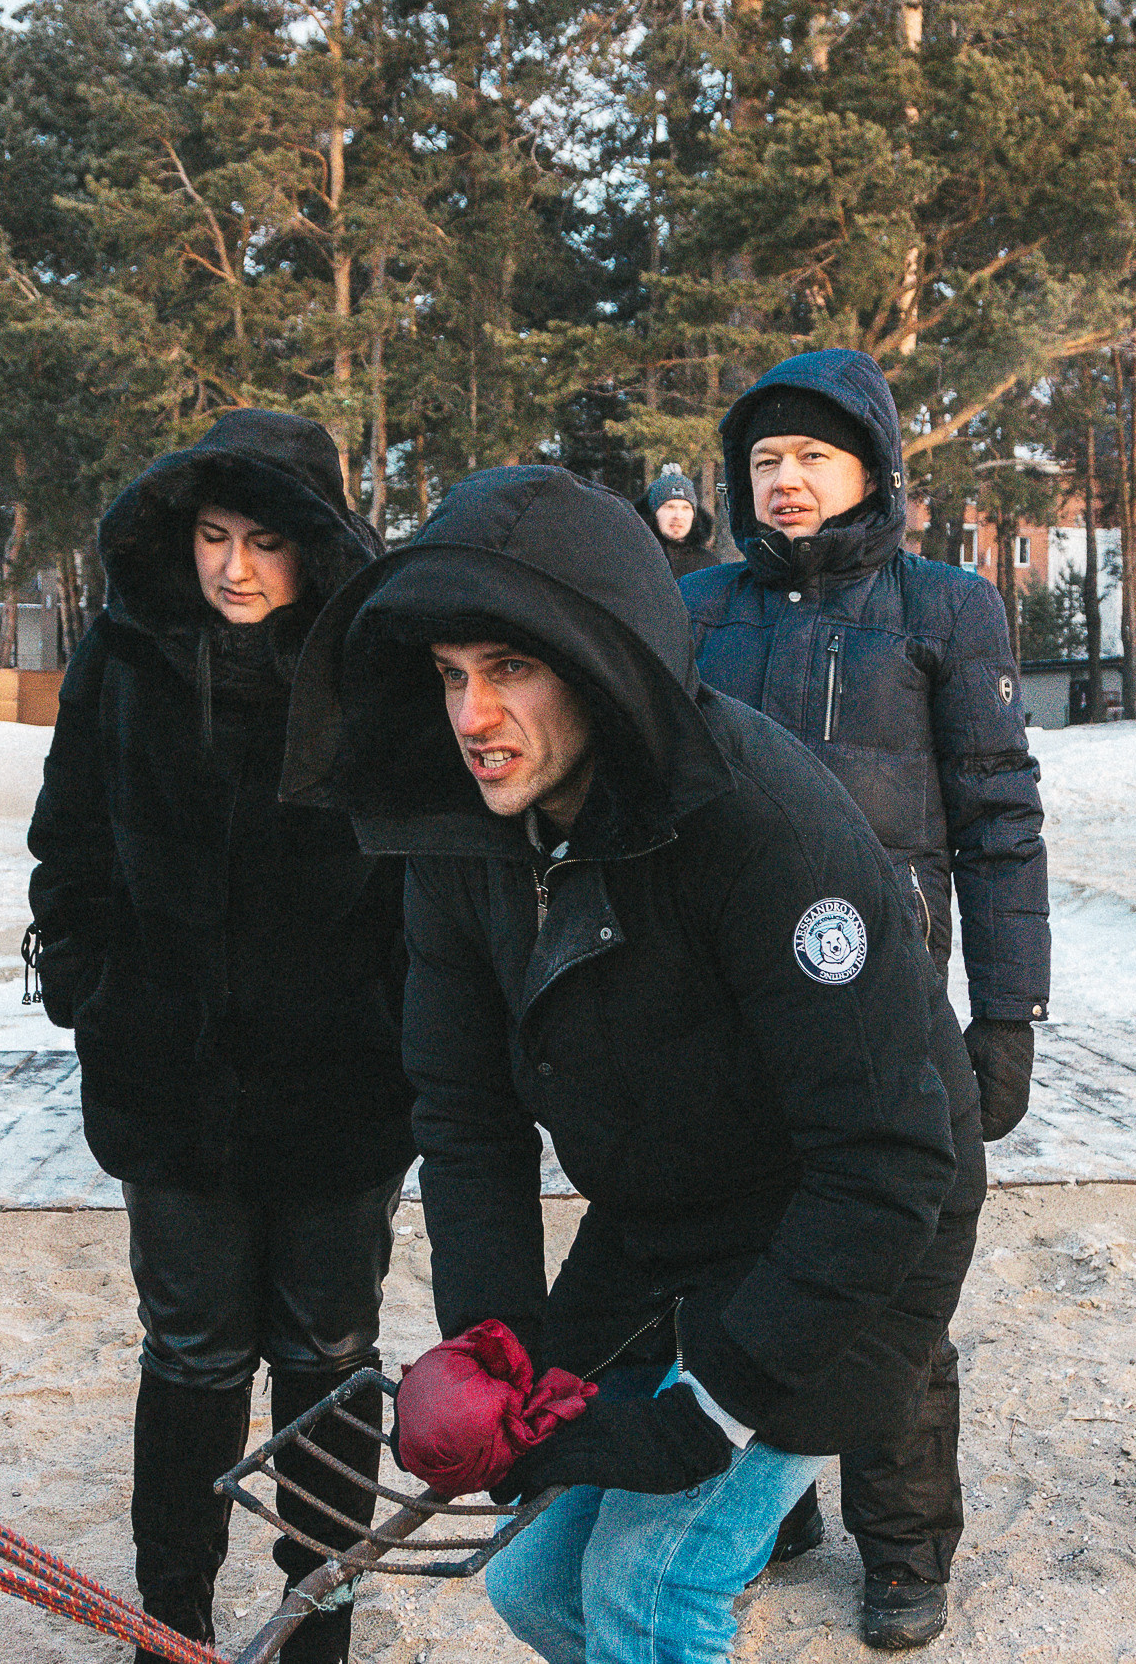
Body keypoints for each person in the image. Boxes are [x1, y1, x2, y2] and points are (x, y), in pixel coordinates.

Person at [278, 463, 983, 1664]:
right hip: (667, 1218)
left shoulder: (764, 829)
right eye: (450, 673)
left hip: (852, 1224)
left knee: (651, 1589)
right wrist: (492, 1338)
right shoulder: (465, 834)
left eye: (510, 669)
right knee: (540, 1588)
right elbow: (464, 1116)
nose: (471, 718)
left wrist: (716, 1399)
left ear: (599, 667)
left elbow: (885, 1159)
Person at [26, 410, 415, 1664]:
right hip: (170, 1075)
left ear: (313, 545)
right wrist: (95, 987)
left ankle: (320, 1611)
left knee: (330, 1347)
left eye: (262, 539)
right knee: (191, 1350)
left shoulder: (375, 670)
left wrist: (394, 1024)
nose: (234, 566)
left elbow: (421, 868)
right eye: (210, 535)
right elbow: (68, 840)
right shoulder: (121, 656)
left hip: (339, 1081)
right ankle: (171, 1614)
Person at [682, 348, 1049, 1647]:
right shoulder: (702, 606)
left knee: (890, 1281)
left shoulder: (946, 606)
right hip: (727, 1003)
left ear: (872, 470)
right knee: (739, 1263)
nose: (785, 481)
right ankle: (770, 1515)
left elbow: (1000, 824)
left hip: (883, 1005)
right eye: (766, 460)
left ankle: (902, 1546)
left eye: (812, 458)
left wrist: (1009, 1014)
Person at [636, 463, 723, 578]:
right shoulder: (634, 559)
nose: (678, 516)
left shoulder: (710, 566)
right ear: (653, 513)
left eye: (686, 508)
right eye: (669, 507)